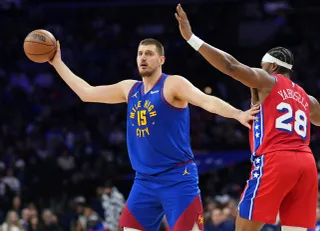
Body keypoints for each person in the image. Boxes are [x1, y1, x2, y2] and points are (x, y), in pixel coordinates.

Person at [175, 4, 320, 231]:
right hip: (306, 164)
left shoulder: (268, 81)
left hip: (276, 159)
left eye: (262, 65)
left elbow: (231, 66)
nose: (259, 68)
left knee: (245, 228)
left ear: (273, 65)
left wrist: (192, 38)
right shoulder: (307, 97)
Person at [48, 38, 259, 231]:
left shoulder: (173, 84)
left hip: (177, 178)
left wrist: (237, 113)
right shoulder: (129, 89)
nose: (143, 58)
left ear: (161, 59)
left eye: (149, 53)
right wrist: (57, 62)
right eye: (140, 53)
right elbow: (87, 93)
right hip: (144, 181)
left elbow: (206, 100)